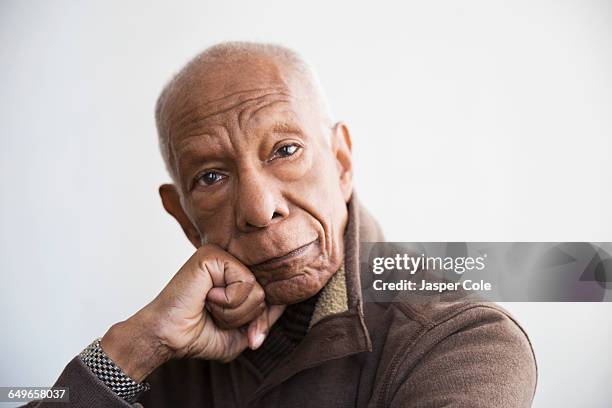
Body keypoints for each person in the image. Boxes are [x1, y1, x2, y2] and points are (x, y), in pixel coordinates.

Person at [26, 41, 537, 408]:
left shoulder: (460, 340)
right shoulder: (165, 350)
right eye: (211, 176)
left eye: (285, 150)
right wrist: (135, 347)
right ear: (182, 216)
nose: (259, 206)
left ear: (341, 161)